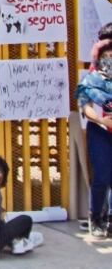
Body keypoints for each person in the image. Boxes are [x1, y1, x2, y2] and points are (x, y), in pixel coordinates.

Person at [74, 22, 112, 238]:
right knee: (102, 177)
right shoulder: (92, 77)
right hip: (100, 132)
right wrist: (102, 121)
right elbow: (85, 106)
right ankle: (95, 217)